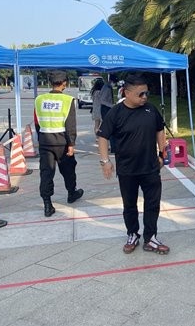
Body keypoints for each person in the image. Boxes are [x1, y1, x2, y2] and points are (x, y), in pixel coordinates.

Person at [97, 74, 170, 255]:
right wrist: (105, 161)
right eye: (140, 94)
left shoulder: (151, 109)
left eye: (146, 93)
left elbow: (160, 130)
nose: (145, 97)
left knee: (152, 204)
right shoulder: (116, 112)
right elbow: (103, 136)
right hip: (127, 170)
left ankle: (150, 238)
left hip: (150, 168)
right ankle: (132, 234)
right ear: (127, 93)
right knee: (129, 205)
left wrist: (162, 154)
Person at [34, 70, 84, 217]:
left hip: (45, 141)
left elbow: (37, 122)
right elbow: (70, 125)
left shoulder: (39, 99)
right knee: (68, 170)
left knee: (46, 173)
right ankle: (71, 193)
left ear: (50, 83)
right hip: (62, 142)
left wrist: (41, 138)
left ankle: (47, 204)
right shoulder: (68, 100)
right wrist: (71, 144)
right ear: (64, 84)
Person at [99, 74, 117, 151]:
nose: (114, 84)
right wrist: (112, 105)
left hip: (107, 108)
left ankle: (113, 146)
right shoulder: (107, 88)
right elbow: (102, 100)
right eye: (114, 82)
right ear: (111, 81)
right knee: (111, 128)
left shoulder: (108, 87)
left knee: (111, 127)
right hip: (106, 109)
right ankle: (113, 147)